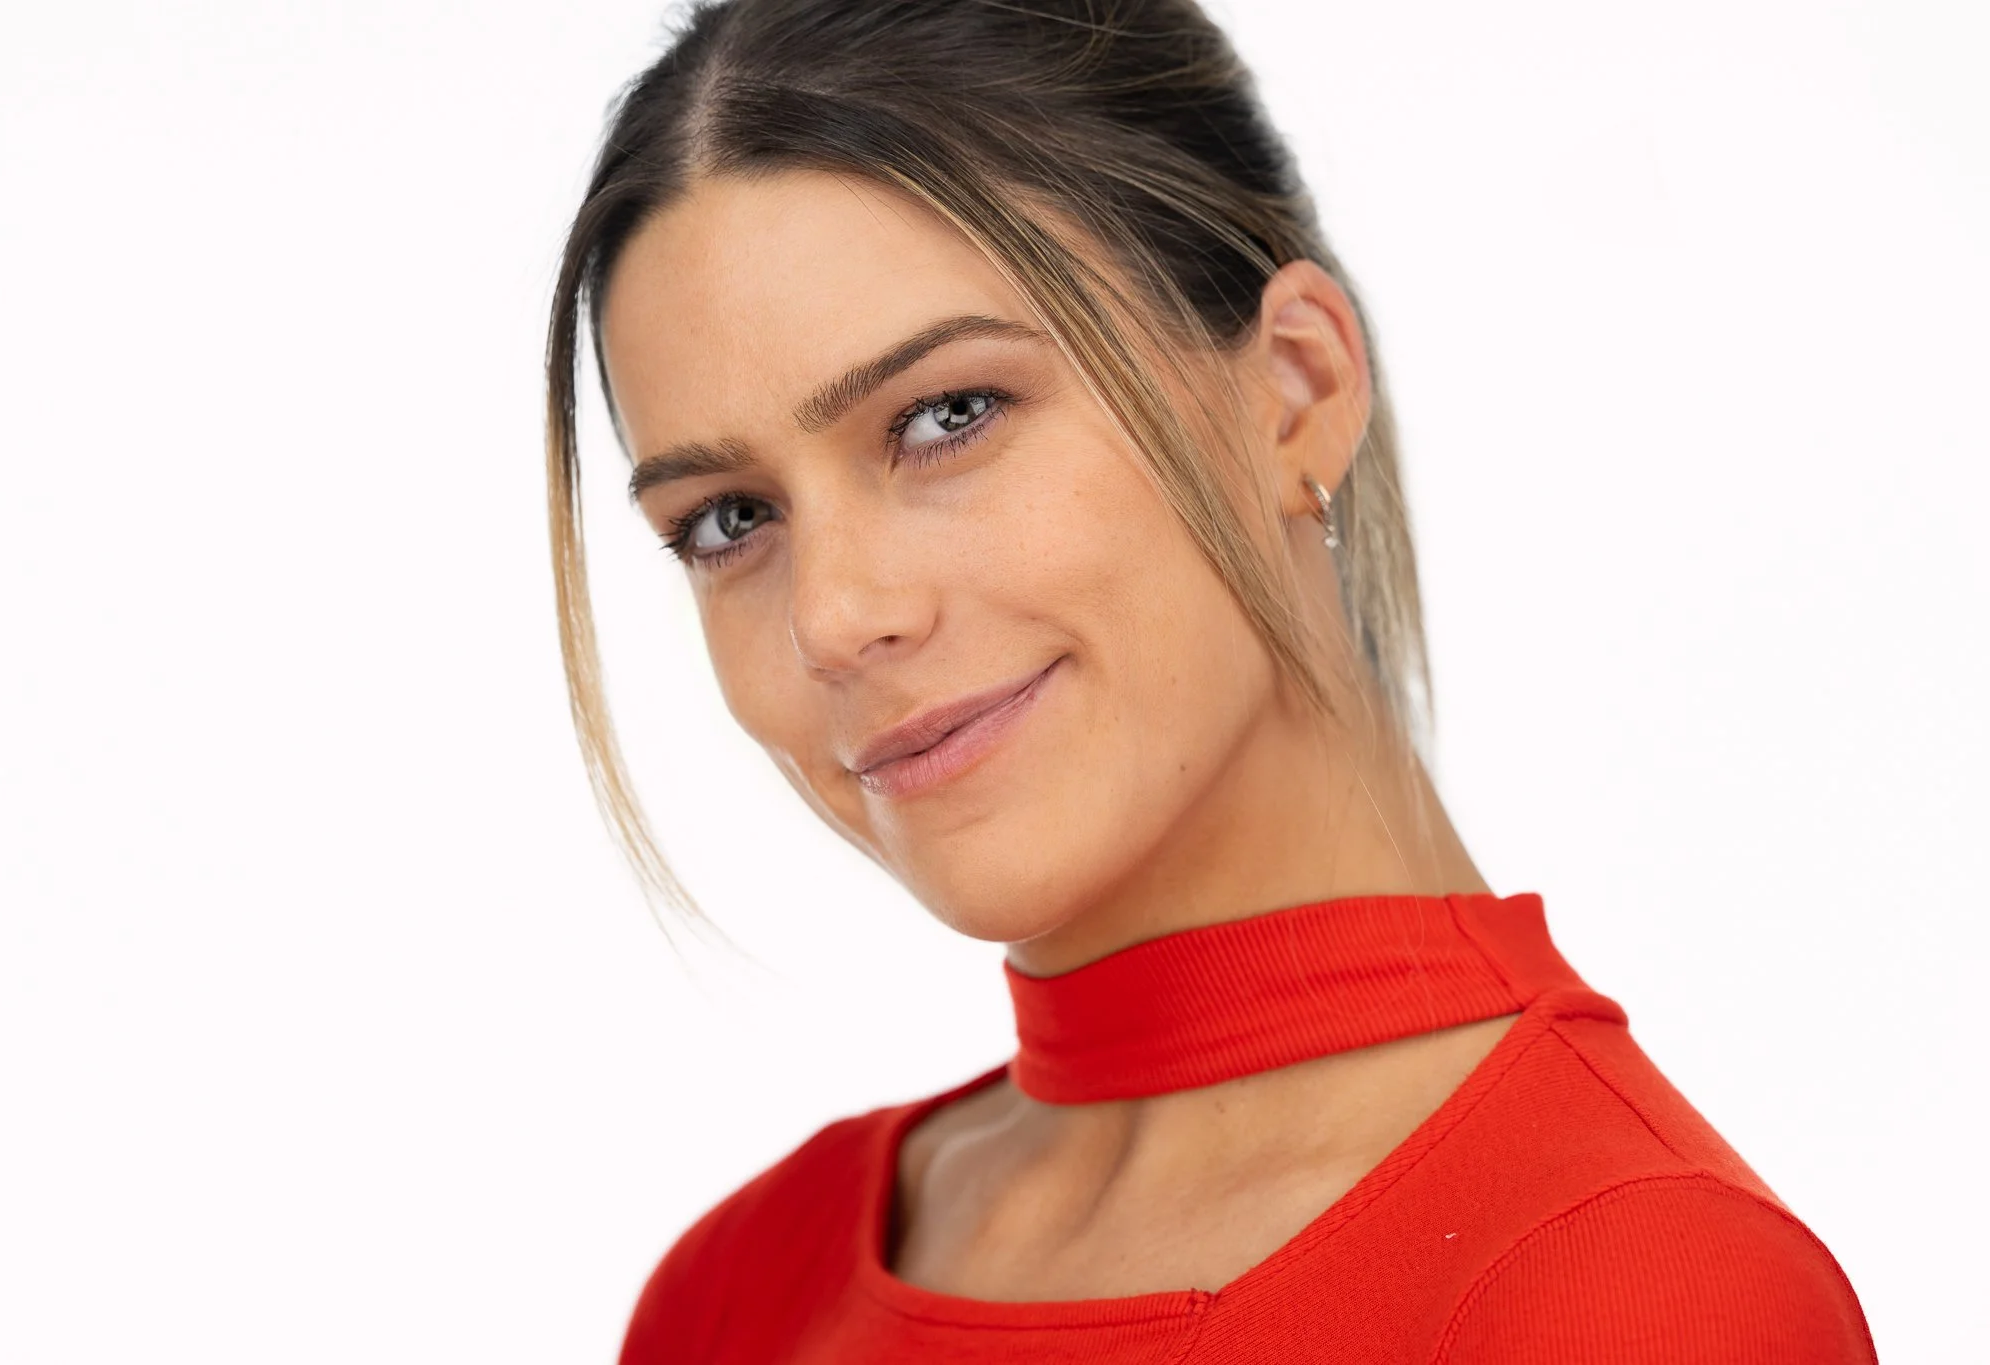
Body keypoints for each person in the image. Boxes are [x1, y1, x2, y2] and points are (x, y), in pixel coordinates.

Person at [541, 1, 1876, 1359]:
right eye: (730, 519)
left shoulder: (1640, 1288)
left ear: (1294, 389)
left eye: (948, 417)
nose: (834, 617)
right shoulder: (742, 1293)